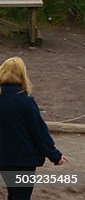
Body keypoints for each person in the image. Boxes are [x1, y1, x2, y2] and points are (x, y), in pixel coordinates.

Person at [0, 57, 67, 200]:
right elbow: (39, 132)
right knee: (20, 196)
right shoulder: (25, 101)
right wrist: (55, 155)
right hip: (22, 159)